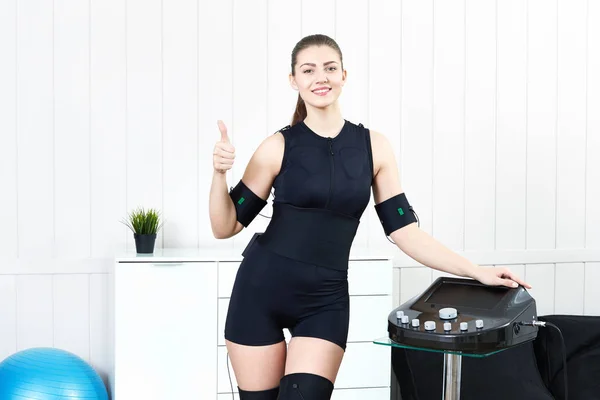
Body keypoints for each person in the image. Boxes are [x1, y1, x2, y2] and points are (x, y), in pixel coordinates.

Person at [209, 34, 531, 400]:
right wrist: (219, 175)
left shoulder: (373, 147)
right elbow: (226, 225)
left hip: (324, 302)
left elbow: (405, 231)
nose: (321, 77)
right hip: (259, 292)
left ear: (344, 75)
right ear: (294, 80)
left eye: (330, 68)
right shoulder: (276, 146)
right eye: (308, 70)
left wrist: (476, 271)